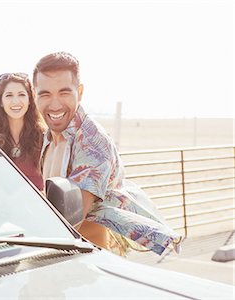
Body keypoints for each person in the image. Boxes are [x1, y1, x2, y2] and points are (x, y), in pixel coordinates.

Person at [33, 51, 181, 255]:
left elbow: (70, 220)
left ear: (80, 91)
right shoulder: (49, 136)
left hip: (91, 261)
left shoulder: (93, 144)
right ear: (35, 94)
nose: (55, 104)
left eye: (64, 92)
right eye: (45, 94)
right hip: (61, 257)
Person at [0, 72, 45, 191]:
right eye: (9, 95)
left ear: (30, 100)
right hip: (4, 207)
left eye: (21, 94)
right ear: (0, 102)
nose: (16, 101)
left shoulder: (43, 136)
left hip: (36, 207)